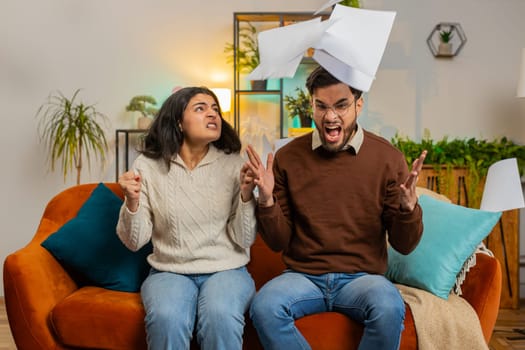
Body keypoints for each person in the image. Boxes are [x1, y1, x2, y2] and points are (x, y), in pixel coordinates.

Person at [244, 66, 427, 350]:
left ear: (359, 104)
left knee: (389, 306)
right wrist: (266, 200)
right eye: (322, 106)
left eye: (341, 105)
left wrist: (408, 210)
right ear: (312, 106)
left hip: (363, 279)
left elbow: (404, 245)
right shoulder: (288, 157)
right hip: (303, 276)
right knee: (265, 307)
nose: (330, 117)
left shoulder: (387, 158)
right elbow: (278, 241)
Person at [116, 86, 258, 350]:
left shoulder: (235, 165)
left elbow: (245, 238)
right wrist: (132, 203)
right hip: (168, 270)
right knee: (166, 318)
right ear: (179, 122)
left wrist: (247, 197)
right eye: (200, 108)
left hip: (227, 270)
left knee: (221, 317)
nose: (212, 114)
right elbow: (135, 242)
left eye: (215, 108)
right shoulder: (147, 166)